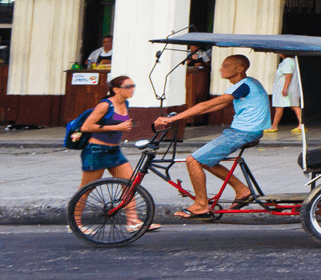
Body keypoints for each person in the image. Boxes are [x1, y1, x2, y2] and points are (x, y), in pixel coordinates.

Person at [152, 55, 268, 218]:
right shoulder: (248, 84)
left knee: (193, 160)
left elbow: (206, 105)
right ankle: (241, 189)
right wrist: (184, 116)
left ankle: (201, 204)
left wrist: (172, 118)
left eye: (226, 66)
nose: (221, 69)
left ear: (240, 69)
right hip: (244, 131)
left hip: (243, 132)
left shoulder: (243, 85)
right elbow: (220, 105)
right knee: (205, 159)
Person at [75, 76, 154, 232]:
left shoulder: (126, 103)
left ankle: (132, 221)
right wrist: (117, 127)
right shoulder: (105, 105)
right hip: (96, 150)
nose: (132, 89)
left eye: (133, 85)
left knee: (130, 183)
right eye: (128, 86)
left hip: (114, 150)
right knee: (86, 189)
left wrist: (125, 126)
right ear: (116, 89)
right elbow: (86, 126)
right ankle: (75, 224)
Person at [266, 53, 304, 134]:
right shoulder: (293, 61)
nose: (279, 54)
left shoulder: (287, 61)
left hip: (284, 88)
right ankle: (301, 124)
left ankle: (274, 126)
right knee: (294, 106)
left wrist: (285, 88)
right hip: (290, 87)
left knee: (280, 107)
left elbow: (288, 74)